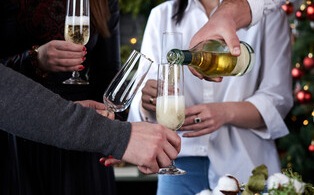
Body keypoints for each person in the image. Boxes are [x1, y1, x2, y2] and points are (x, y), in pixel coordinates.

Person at [127, 0, 293, 194]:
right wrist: (147, 102)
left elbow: (277, 100)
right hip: (177, 165)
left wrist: (224, 113)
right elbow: (141, 106)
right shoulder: (161, 17)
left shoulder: (268, 16)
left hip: (245, 167)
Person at [0, 0, 120, 194]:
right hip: (16, 144)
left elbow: (108, 76)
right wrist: (34, 60)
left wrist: (115, 129)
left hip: (82, 144)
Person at [0, 63, 181, 194]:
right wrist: (117, 136)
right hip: (17, 151)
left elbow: (106, 75)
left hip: (84, 150)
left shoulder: (105, 9)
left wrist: (113, 130)